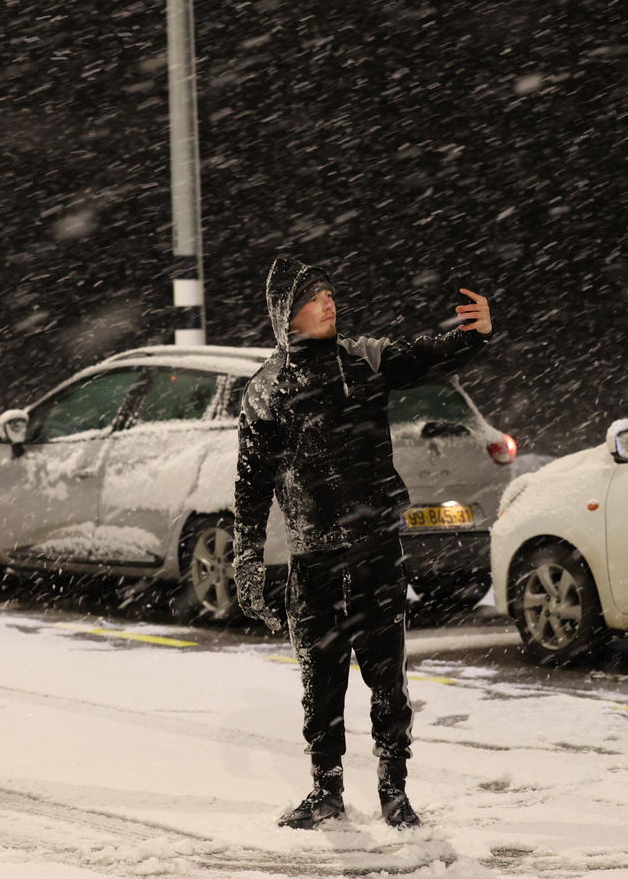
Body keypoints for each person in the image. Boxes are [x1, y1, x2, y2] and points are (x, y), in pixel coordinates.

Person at [233, 255, 494, 830]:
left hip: (375, 545)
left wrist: (475, 335)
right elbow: (251, 485)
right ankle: (325, 790)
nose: (329, 302)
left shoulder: (363, 359)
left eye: (329, 293)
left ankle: (393, 790)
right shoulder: (265, 390)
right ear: (286, 315)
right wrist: (247, 557)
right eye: (313, 297)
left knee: (387, 672)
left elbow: (427, 353)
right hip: (313, 554)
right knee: (320, 678)